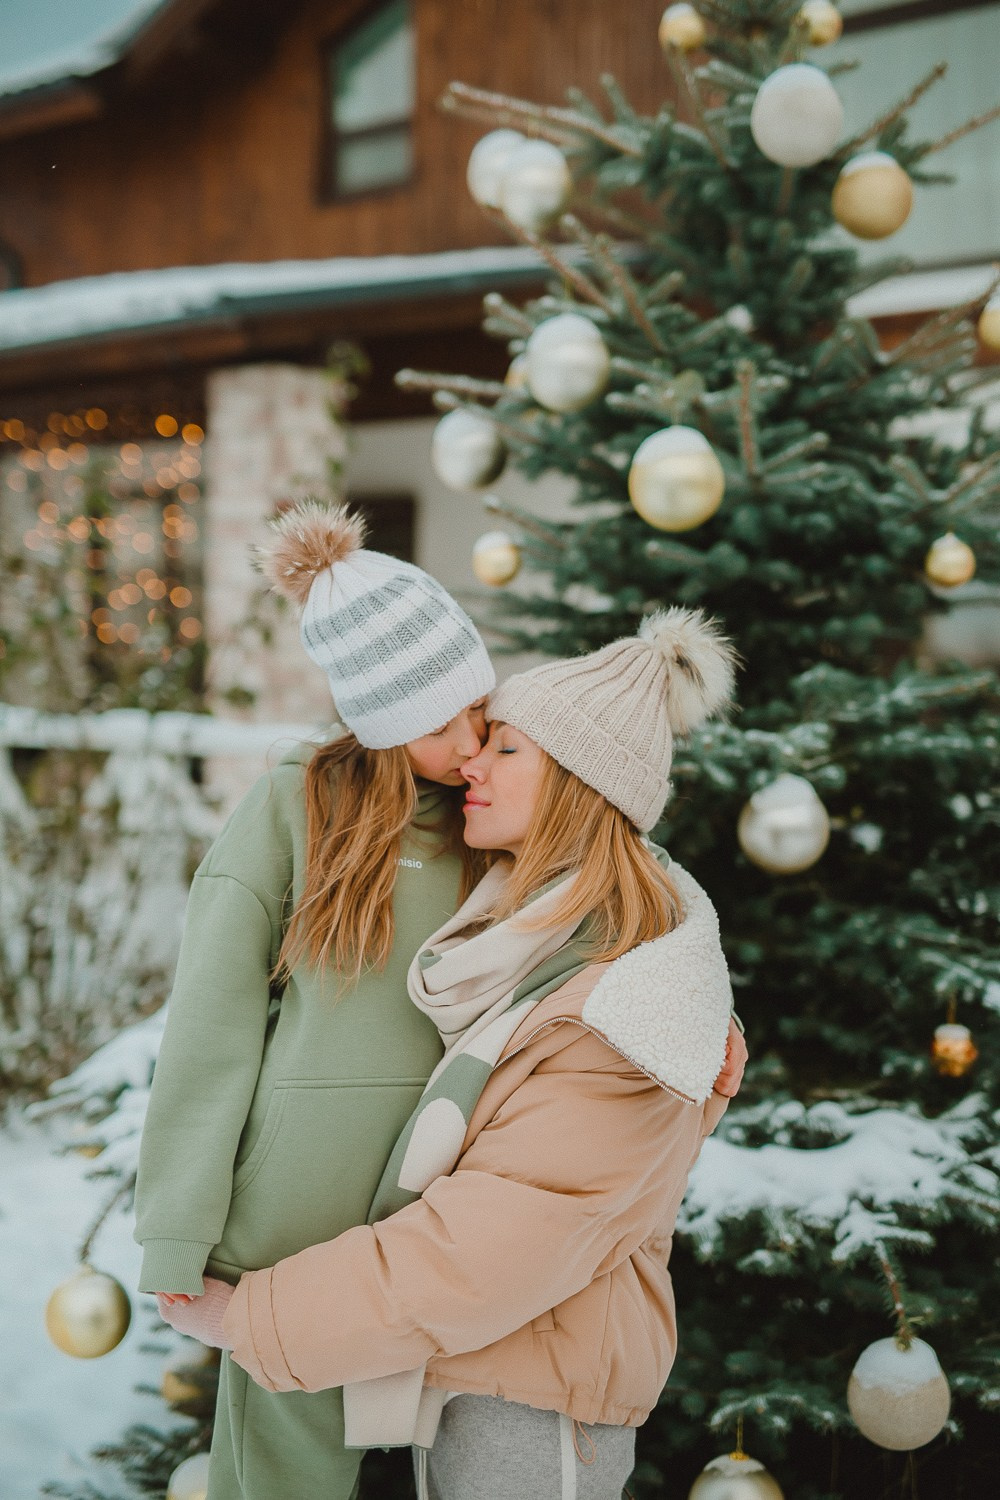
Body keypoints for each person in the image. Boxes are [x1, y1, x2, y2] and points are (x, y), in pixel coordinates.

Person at [159, 605, 746, 1500]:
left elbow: (487, 1246)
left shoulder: (626, 1008)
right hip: (485, 1371)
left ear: (578, 787)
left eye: (505, 747)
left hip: (535, 1407)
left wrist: (258, 1316)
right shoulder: (528, 945)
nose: (470, 759)